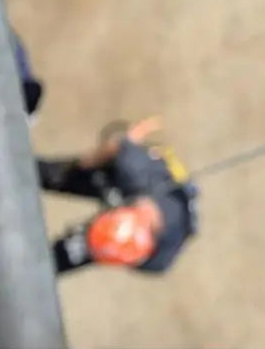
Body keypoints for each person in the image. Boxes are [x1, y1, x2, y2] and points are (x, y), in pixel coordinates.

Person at [37, 117, 199, 275]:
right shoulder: (133, 171)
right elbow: (118, 147)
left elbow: (113, 246)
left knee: (64, 257)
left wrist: (96, 243)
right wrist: (85, 162)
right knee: (56, 175)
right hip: (135, 178)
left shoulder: (159, 258)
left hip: (140, 224)